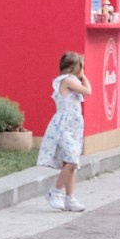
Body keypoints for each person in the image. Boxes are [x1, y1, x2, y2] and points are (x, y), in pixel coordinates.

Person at [37, 50, 89, 209]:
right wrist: (84, 76)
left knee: (71, 162)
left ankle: (70, 198)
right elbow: (88, 91)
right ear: (75, 67)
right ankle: (55, 191)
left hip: (73, 126)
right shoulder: (67, 80)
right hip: (65, 126)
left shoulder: (72, 81)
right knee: (72, 160)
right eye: (81, 66)